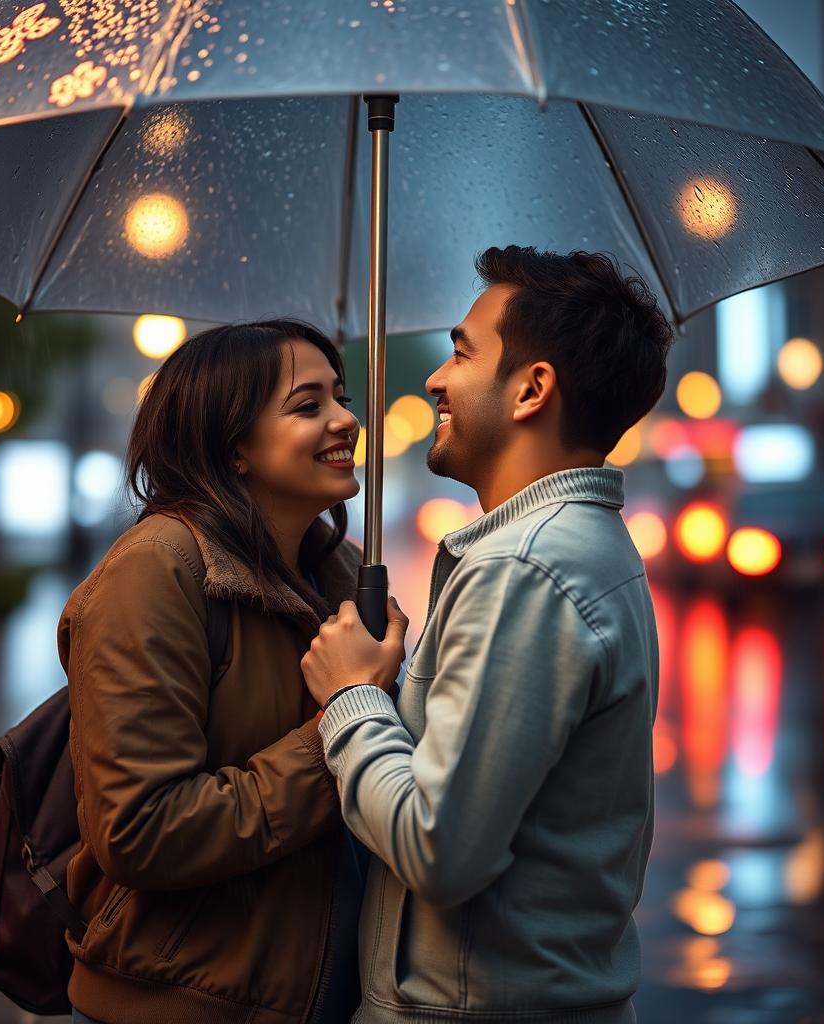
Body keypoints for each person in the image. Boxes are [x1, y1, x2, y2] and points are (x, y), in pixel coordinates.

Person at [302, 246, 674, 1023]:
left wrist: (350, 699)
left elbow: (440, 848)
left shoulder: (528, 568)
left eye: (462, 352)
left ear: (532, 390)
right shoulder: (577, 545)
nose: (436, 379)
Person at [58, 319, 374, 1024]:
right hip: (180, 1003)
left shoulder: (343, 574)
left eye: (341, 398)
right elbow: (141, 829)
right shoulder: (156, 570)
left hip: (319, 995)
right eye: (308, 404)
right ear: (232, 445)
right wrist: (345, 730)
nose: (346, 420)